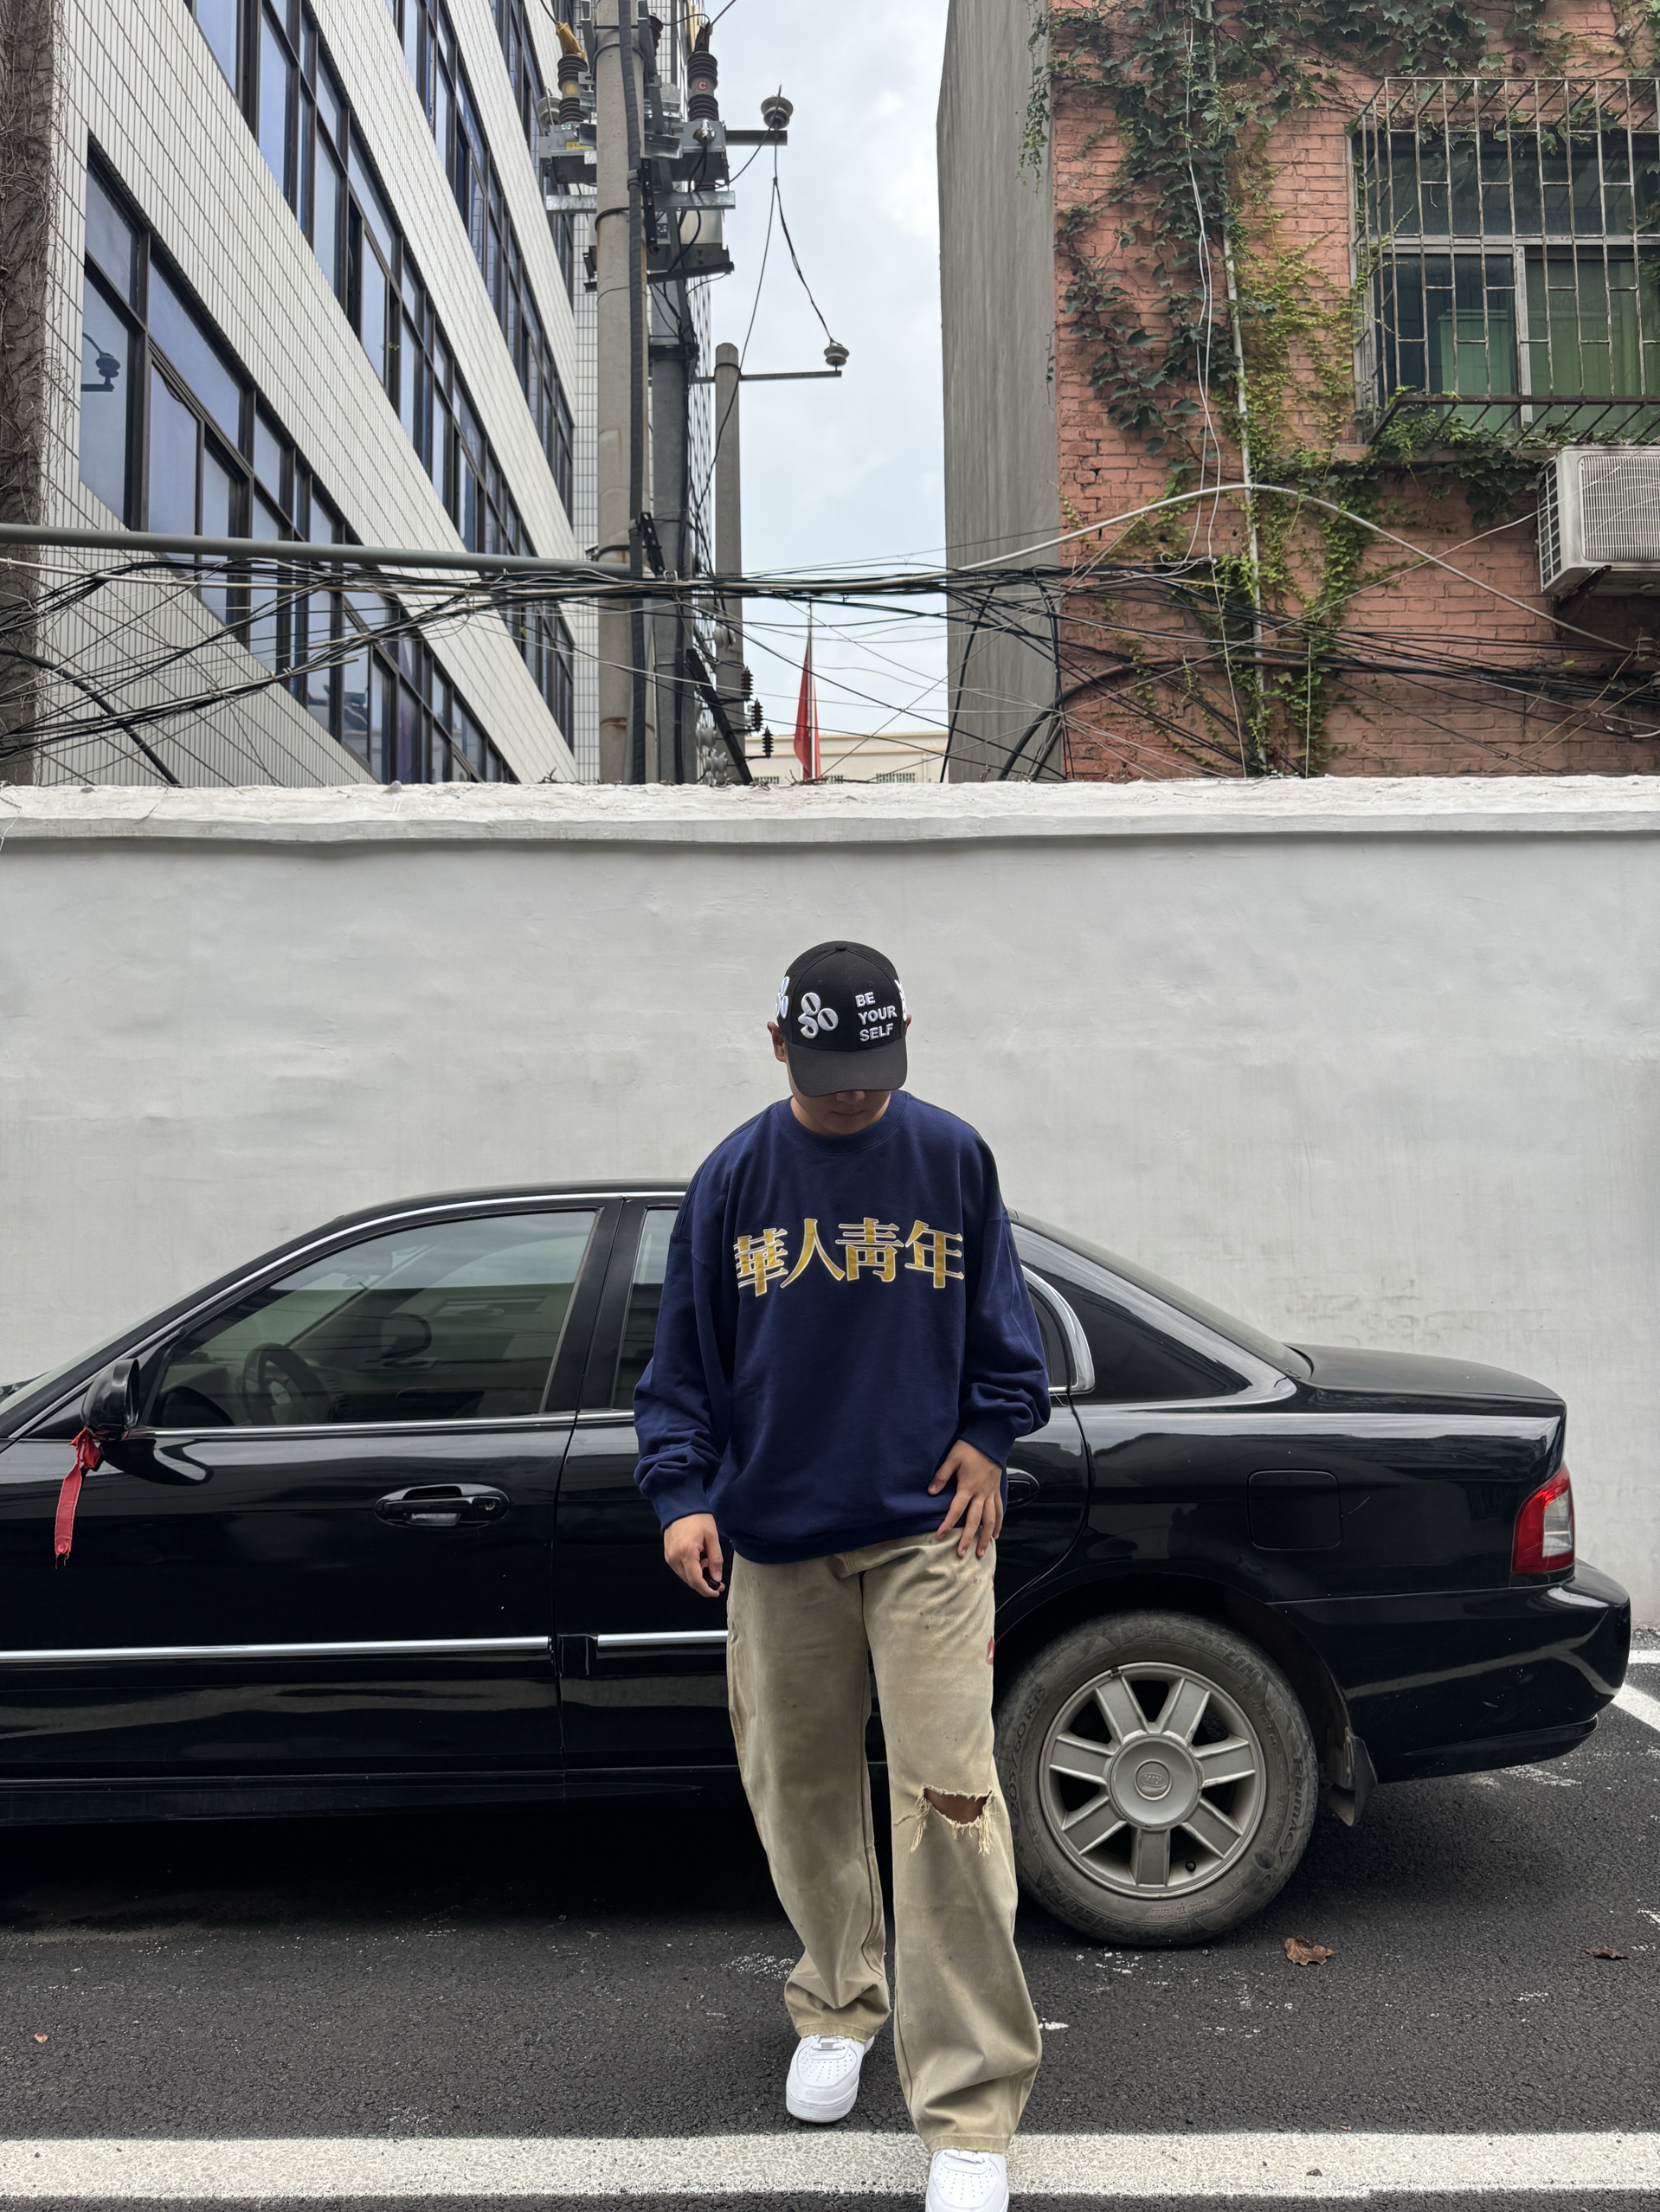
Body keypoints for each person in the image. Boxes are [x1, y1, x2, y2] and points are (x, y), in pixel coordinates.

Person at [633, 940, 1049, 2212]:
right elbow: (680, 1369)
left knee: (951, 1801)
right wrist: (681, 1498)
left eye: (876, 1066)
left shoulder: (951, 1158)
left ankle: (970, 2113)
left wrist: (989, 1437)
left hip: (930, 1534)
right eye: (830, 1071)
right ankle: (838, 1998)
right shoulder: (734, 1179)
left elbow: (1007, 1342)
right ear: (778, 1045)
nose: (856, 1092)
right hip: (777, 1538)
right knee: (799, 1785)